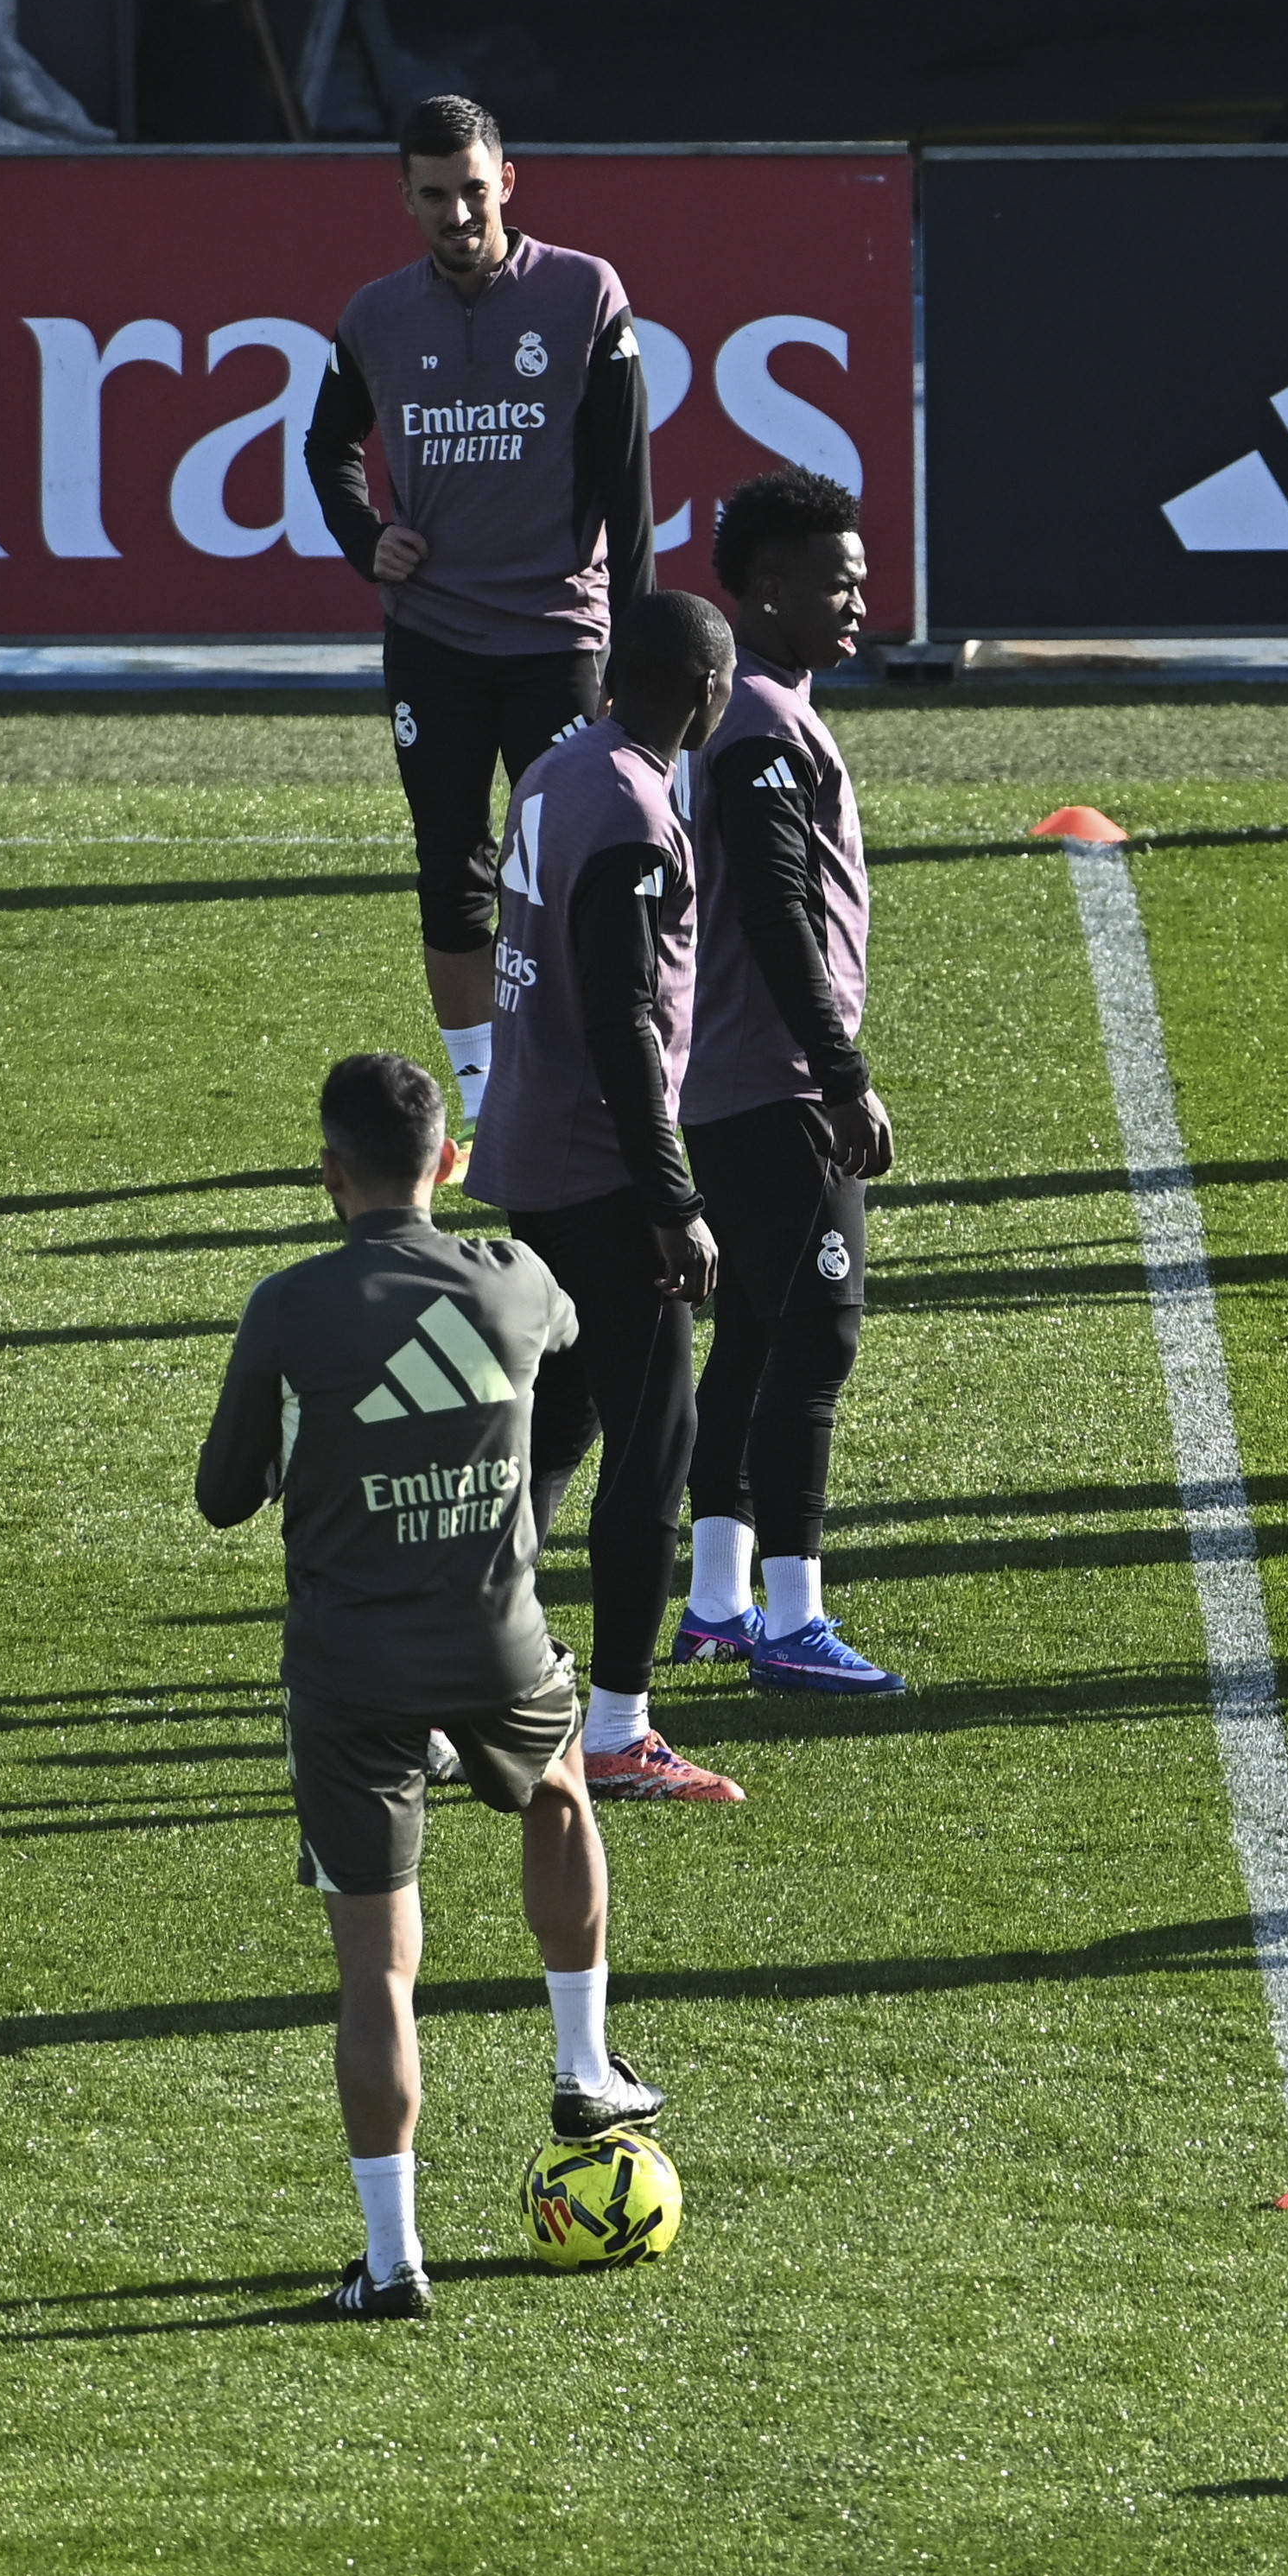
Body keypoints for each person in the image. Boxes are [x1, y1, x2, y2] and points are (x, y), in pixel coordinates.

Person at [198, 1055, 673, 2322]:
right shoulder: (515, 1279)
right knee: (561, 1787)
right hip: (497, 1642)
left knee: (379, 1967)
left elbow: (222, 1495)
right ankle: (582, 2067)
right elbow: (569, 1349)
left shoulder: (289, 1306)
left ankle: (394, 2258)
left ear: (328, 1173)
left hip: (349, 1670)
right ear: (448, 1161)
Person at [305, 93, 654, 1138]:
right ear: (403, 197)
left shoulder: (584, 292)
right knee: (450, 872)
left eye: (472, 190)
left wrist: (631, 653)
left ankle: (586, 1087)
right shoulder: (375, 316)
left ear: (506, 180)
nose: (457, 214)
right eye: (434, 195)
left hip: (559, 637)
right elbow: (327, 445)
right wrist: (366, 539)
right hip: (434, 643)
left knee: (571, 877)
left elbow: (628, 486)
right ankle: (485, 1103)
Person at [465, 591, 744, 1810]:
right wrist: (671, 1195)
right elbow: (623, 1015)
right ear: (706, 691)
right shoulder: (633, 808)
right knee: (655, 1441)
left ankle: (467, 1686)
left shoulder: (557, 767)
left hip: (535, 1147)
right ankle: (621, 1726)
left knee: (559, 1428)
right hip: (599, 1168)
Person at [670, 472, 904, 1703]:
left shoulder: (755, 707)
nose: (858, 602)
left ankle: (717, 1604)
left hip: (730, 1078)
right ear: (766, 590)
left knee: (756, 1337)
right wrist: (842, 1074)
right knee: (816, 1337)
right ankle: (793, 1621)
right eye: (836, 584)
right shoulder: (761, 724)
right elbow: (774, 913)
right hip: (774, 1086)